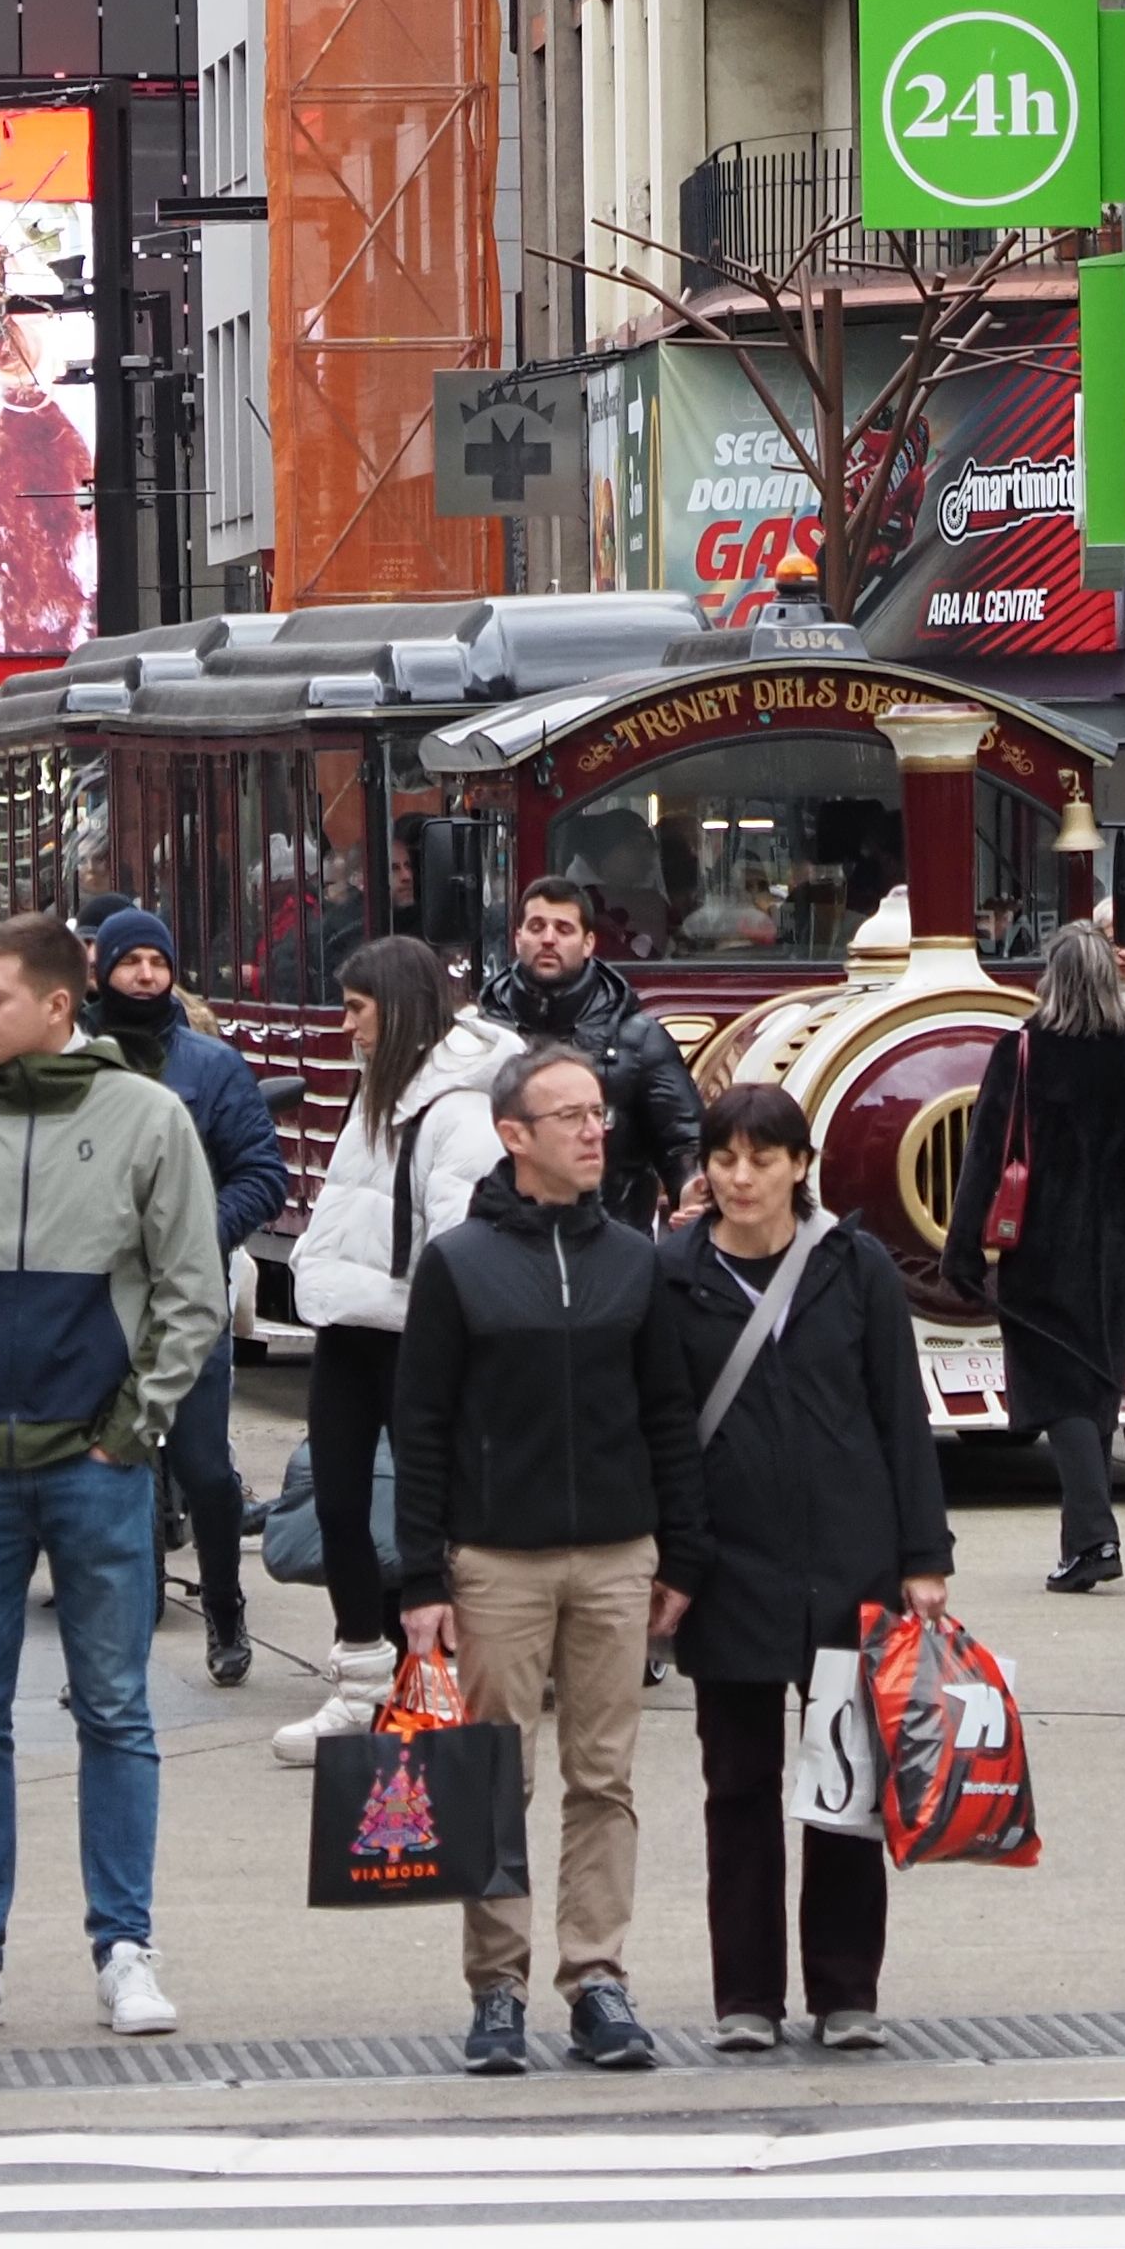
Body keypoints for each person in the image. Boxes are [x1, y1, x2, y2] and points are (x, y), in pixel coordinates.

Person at [0, 911, 226, 2046]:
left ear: (56, 1008)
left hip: (91, 1458)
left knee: (114, 1708)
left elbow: (193, 1286)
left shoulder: (150, 1118)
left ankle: (123, 1943)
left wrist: (134, 1428)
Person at [393, 1039, 713, 2075]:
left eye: (598, 1114)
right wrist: (421, 1579)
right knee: (493, 1777)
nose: (595, 1130)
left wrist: (681, 1550)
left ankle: (598, 1979)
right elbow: (424, 1423)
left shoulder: (634, 1258)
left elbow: (668, 1411)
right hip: (497, 1561)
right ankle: (497, 1987)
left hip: (619, 1554)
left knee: (604, 1777)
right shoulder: (460, 1264)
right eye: (569, 1116)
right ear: (513, 1135)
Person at [649, 1077, 953, 2049]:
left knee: (845, 1786)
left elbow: (900, 1415)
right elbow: (659, 1425)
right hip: (726, 1564)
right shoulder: (673, 1272)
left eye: (762, 1159)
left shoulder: (852, 1266)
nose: (741, 1177)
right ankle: (745, 1997)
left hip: (847, 1559)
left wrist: (922, 1555)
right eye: (724, 1158)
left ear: (799, 1168)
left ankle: (845, 1991)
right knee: (737, 1790)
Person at [273, 934, 522, 1759]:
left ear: (401, 1007)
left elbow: (457, 1241)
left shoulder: (456, 1110)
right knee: (338, 1504)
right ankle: (360, 1683)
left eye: (356, 1009)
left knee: (426, 1518)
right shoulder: (378, 1089)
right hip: (349, 1322)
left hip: (412, 1332)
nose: (347, 1027)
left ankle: (427, 1683)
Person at [76, 908, 290, 1684]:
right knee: (111, 1468)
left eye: (155, 962)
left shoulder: (210, 1067)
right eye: (128, 961)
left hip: (189, 1299)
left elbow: (263, 1174)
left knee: (204, 1467)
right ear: (101, 968)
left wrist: (200, 1233)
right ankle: (111, 1643)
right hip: (96, 1306)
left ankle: (226, 1607)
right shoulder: (72, 1059)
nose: (142, 975)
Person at [939, 920, 1125, 1593]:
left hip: (1043, 1248)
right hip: (1124, 1253)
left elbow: (983, 1157)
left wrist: (963, 1252)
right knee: (1096, 1387)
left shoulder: (1019, 1054)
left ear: (1050, 980)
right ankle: (1082, 1538)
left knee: (1059, 1390)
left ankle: (1094, 1538)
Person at [481, 876, 707, 1220]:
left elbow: (685, 1141)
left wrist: (691, 1184)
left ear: (588, 943)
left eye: (564, 929)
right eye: (537, 926)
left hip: (612, 1243)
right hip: (505, 1238)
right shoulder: (482, 1034)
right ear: (517, 938)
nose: (548, 939)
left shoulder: (638, 1038)